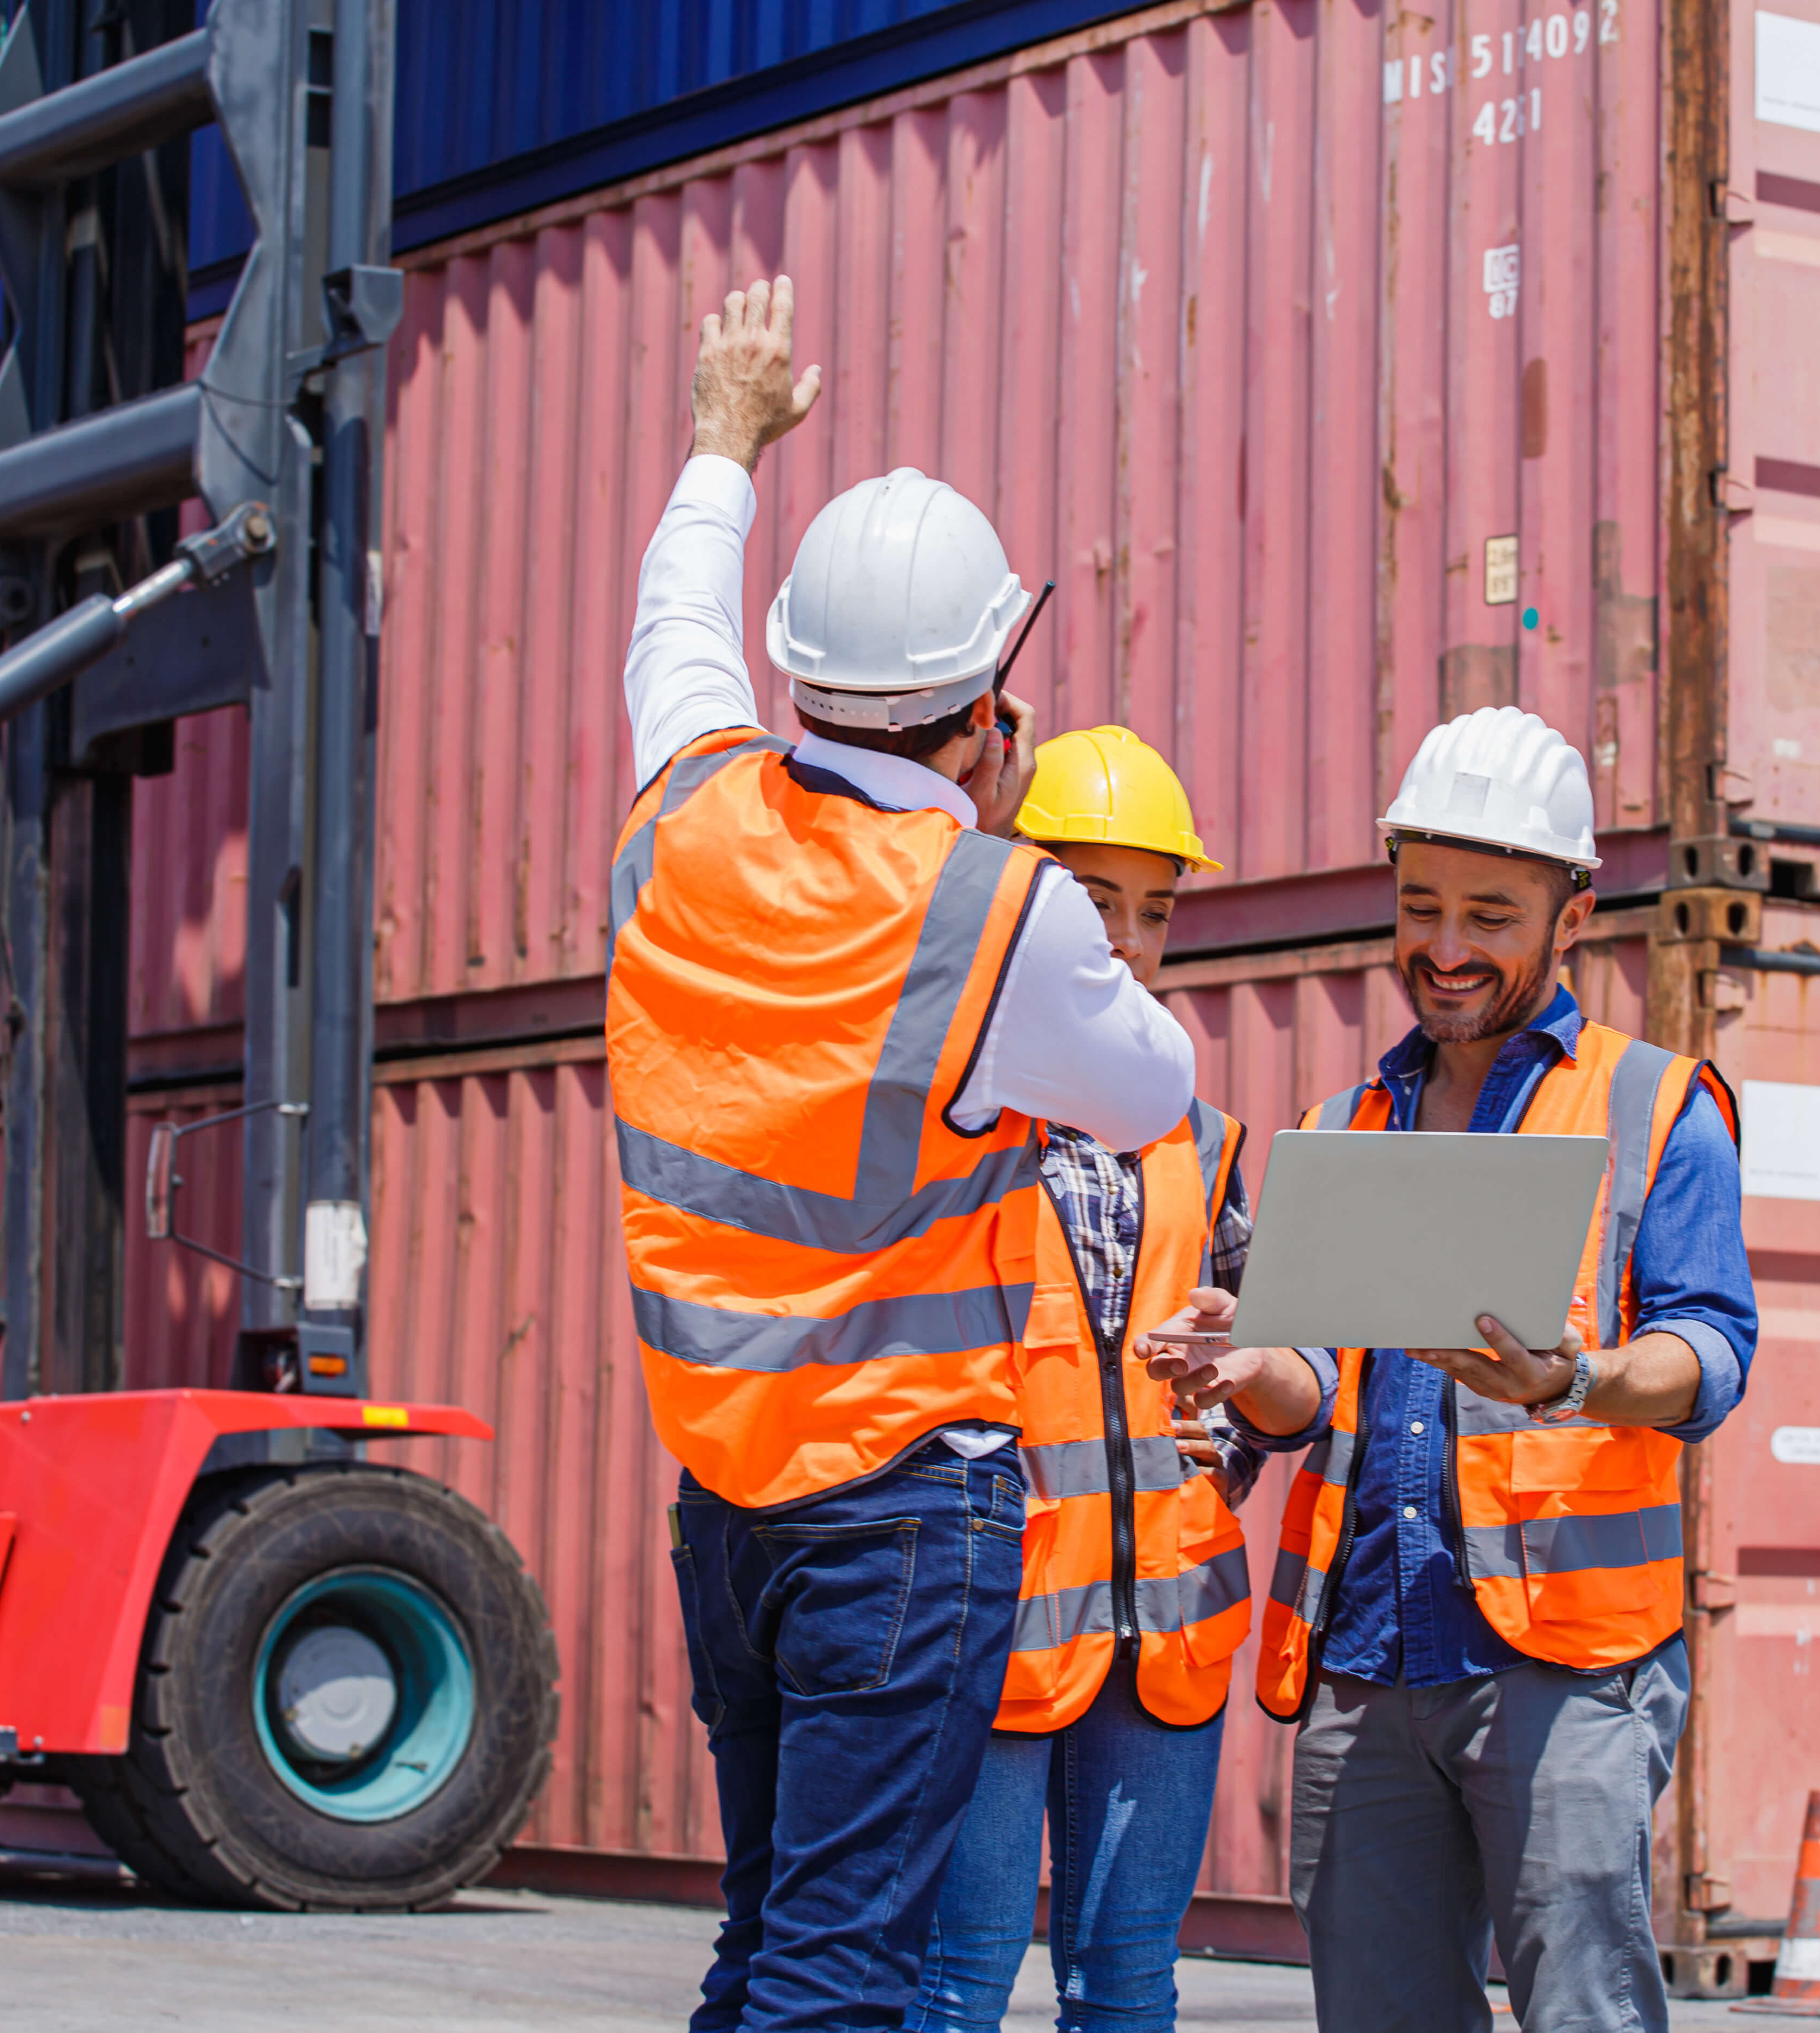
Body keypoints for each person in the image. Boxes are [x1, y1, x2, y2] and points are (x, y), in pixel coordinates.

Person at [607, 277, 1197, 2033]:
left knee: (765, 1941)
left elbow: (671, 629)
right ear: (990, 714)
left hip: (726, 1510)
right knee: (843, 1972)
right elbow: (1153, 1093)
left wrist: (724, 441)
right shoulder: (989, 907)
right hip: (896, 1516)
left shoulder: (681, 812)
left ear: (797, 681)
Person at [1170, 705, 1756, 2033]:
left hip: (1568, 1666)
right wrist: (1244, 1360)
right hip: (1365, 1654)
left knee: (1583, 2013)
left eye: (1490, 914)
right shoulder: (1342, 1124)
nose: (1444, 949)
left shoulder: (1654, 1105)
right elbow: (1313, 1379)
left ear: (1574, 912)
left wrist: (1574, 1382)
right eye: (1421, 905)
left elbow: (1712, 1351)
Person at [904, 727, 1334, 2033]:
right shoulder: (955, 1115)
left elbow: (1289, 1382)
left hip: (1171, 1632)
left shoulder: (1203, 1140)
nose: (1134, 940)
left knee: (1130, 1992)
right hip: (993, 1631)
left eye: (1156, 908)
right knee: (957, 1988)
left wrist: (1247, 1393)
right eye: (1098, 904)